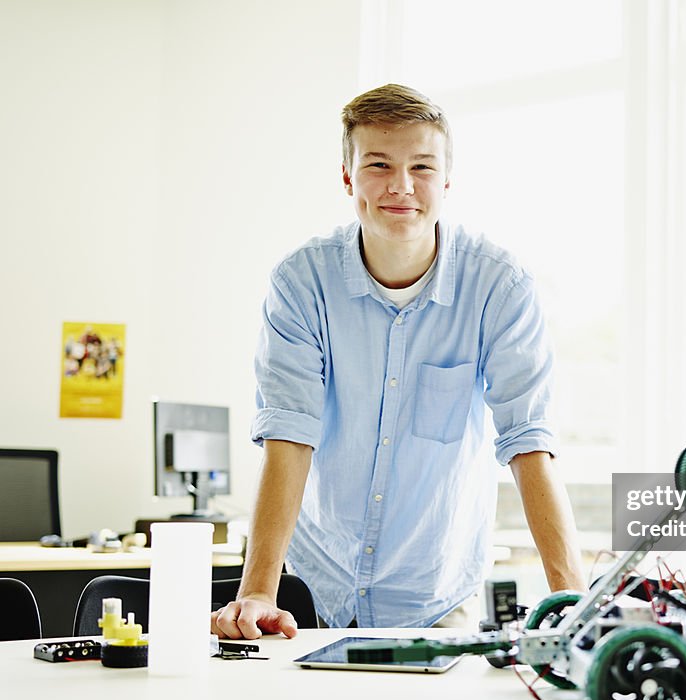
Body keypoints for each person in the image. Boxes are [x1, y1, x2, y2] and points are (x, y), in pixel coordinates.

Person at [212, 84, 586, 640]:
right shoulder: (300, 283)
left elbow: (527, 440)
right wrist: (259, 590)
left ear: (447, 180)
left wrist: (571, 601)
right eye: (379, 164)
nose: (401, 187)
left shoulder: (499, 286)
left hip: (436, 592)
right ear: (348, 177)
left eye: (422, 166)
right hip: (315, 591)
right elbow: (288, 433)